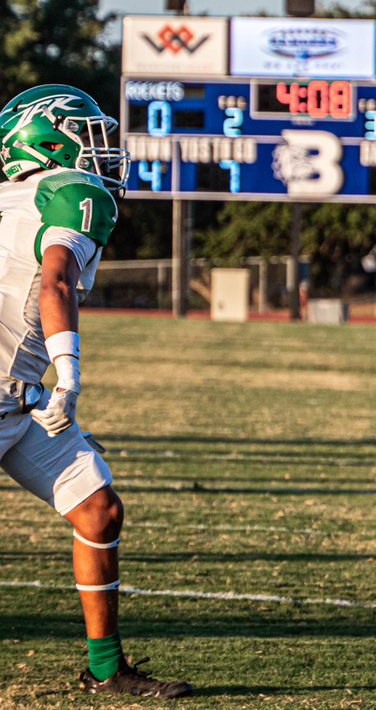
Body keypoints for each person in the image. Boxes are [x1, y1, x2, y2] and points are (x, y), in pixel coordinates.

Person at [0, 85, 192, 698]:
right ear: (46, 141)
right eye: (85, 133)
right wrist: (69, 375)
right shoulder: (73, 191)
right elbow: (54, 282)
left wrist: (37, 391)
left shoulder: (13, 198)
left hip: (16, 395)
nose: (101, 149)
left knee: (97, 508)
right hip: (12, 390)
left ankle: (107, 670)